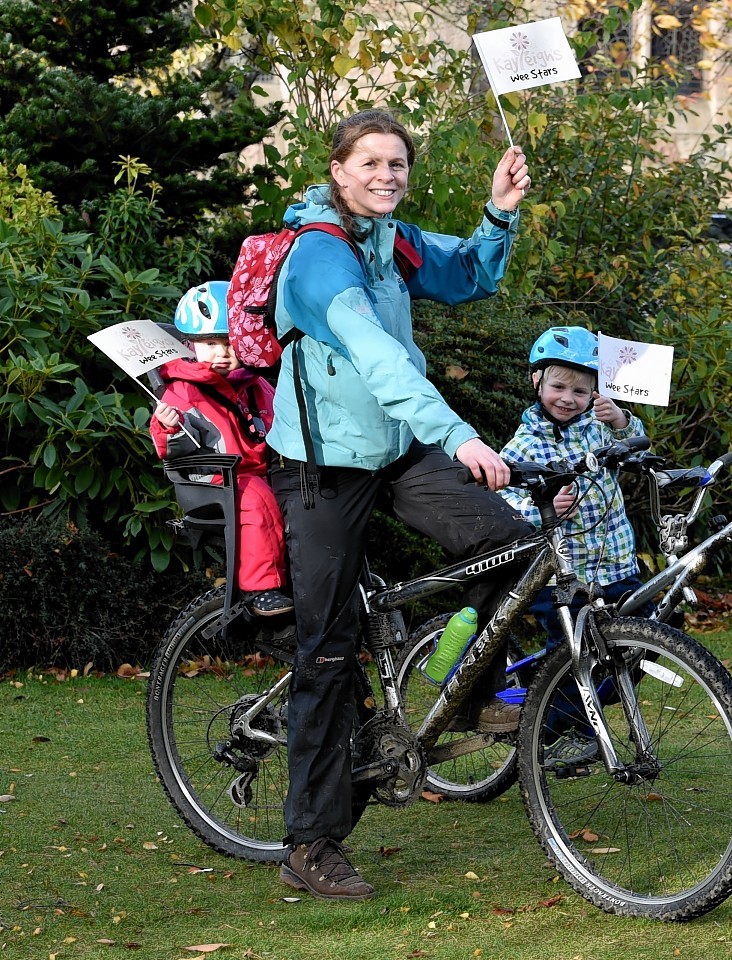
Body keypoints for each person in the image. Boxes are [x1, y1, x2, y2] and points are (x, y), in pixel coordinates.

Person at [264, 109, 535, 901]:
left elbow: (469, 275)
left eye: (398, 165)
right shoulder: (319, 258)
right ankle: (309, 844)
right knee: (328, 649)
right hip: (321, 467)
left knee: (511, 549)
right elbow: (380, 358)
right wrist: (458, 437)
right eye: (371, 164)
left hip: (392, 449)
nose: (387, 176)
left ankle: (478, 696)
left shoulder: (392, 241)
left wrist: (500, 213)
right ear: (339, 171)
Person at [498, 326, 647, 767]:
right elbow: (503, 497)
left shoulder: (598, 429)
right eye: (558, 386)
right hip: (565, 575)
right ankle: (561, 731)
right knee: (571, 656)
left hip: (617, 563)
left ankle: (555, 720)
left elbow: (635, 446)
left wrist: (620, 420)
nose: (568, 398)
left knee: (637, 647)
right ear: (537, 381)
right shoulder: (524, 443)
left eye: (580, 391)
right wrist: (539, 504)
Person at [150, 281, 293, 617]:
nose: (222, 353)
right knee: (256, 500)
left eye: (230, 343)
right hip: (215, 478)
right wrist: (168, 424)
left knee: (305, 496)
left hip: (260, 469)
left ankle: (305, 578)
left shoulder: (254, 384)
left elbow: (280, 420)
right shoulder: (183, 390)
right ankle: (262, 589)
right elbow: (168, 445)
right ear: (190, 345)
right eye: (211, 344)